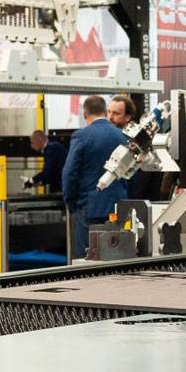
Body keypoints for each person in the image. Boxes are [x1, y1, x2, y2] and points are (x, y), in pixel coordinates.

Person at [61, 94, 128, 260]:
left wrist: (71, 203)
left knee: (88, 258)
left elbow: (69, 172)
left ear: (85, 114)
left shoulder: (81, 136)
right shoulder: (121, 136)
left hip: (89, 208)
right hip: (119, 206)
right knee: (116, 255)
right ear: (105, 112)